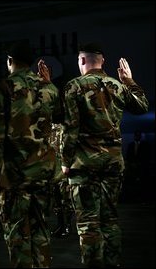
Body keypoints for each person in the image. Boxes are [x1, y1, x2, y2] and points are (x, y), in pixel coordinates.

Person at [60, 43, 149, 267]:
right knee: (109, 220)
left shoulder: (74, 86)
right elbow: (142, 107)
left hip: (84, 165)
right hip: (112, 163)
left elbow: (70, 128)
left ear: (81, 61)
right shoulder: (117, 86)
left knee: (88, 223)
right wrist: (129, 80)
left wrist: (65, 161)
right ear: (103, 61)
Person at [0, 41, 62, 267]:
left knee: (18, 234)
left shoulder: (3, 89)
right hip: (44, 174)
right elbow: (58, 119)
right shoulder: (50, 89)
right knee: (41, 231)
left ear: (10, 62)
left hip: (14, 177)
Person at [122, 130, 151, 203]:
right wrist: (131, 163)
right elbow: (128, 155)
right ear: (134, 136)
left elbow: (147, 156)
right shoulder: (130, 145)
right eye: (136, 135)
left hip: (142, 167)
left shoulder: (145, 145)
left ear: (140, 136)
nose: (137, 137)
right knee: (132, 182)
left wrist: (140, 163)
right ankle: (132, 199)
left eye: (138, 135)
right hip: (132, 167)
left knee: (142, 183)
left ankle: (142, 198)